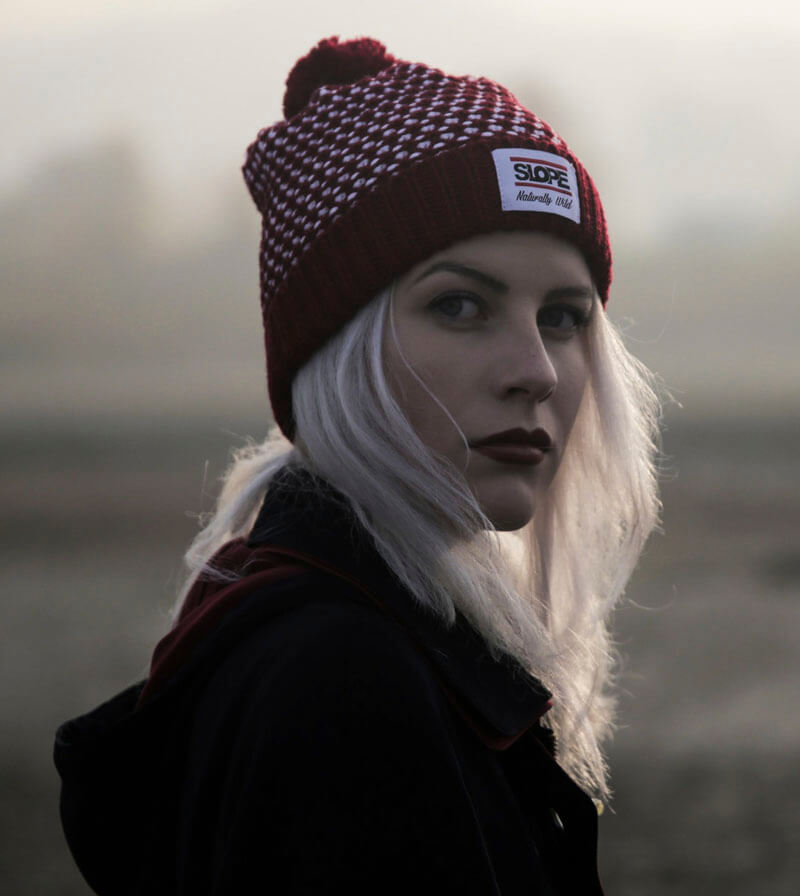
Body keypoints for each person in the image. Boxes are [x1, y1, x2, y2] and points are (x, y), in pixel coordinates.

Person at [54, 35, 662, 895]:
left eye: (563, 317)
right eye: (461, 305)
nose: (537, 370)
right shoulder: (341, 680)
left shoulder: (333, 635)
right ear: (338, 349)